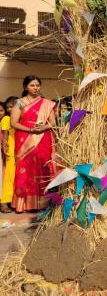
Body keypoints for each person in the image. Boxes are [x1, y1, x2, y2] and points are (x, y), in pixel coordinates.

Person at [10, 76, 57, 213]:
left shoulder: (47, 103)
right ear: (25, 87)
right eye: (32, 85)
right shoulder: (19, 103)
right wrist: (30, 130)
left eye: (37, 85)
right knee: (24, 171)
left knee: (42, 170)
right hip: (24, 139)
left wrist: (43, 128)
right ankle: (23, 204)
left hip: (43, 138)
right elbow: (14, 123)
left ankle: (41, 203)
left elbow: (52, 122)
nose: (36, 88)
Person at [1, 97, 18, 213]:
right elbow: (5, 136)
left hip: (22, 148)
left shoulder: (21, 118)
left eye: (12, 106)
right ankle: (4, 202)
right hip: (11, 150)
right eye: (8, 107)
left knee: (19, 177)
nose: (9, 109)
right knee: (9, 176)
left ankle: (16, 202)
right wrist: (5, 148)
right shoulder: (7, 119)